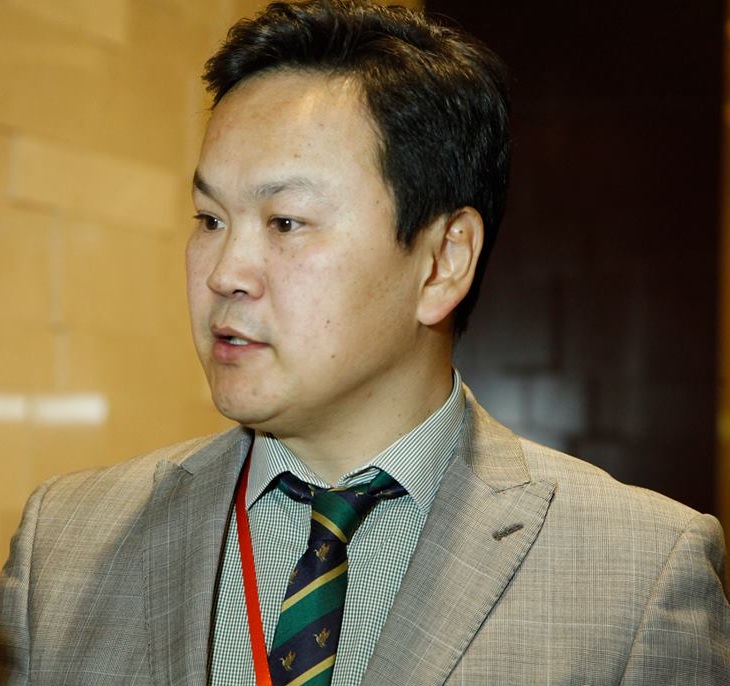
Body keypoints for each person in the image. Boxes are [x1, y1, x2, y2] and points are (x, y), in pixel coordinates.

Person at [1, 0, 728, 683]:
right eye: (210, 219)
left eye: (286, 222)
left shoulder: (638, 579)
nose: (224, 273)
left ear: (443, 262)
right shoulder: (62, 547)